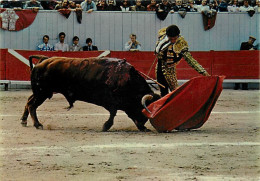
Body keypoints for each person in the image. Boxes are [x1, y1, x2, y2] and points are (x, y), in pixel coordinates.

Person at [155, 25, 210, 96]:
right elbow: (157, 50)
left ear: (177, 36)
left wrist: (203, 71)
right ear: (167, 36)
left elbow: (190, 59)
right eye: (170, 38)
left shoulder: (181, 43)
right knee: (163, 90)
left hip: (170, 69)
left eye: (174, 38)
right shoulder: (163, 38)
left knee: (174, 91)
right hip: (159, 66)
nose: (173, 41)